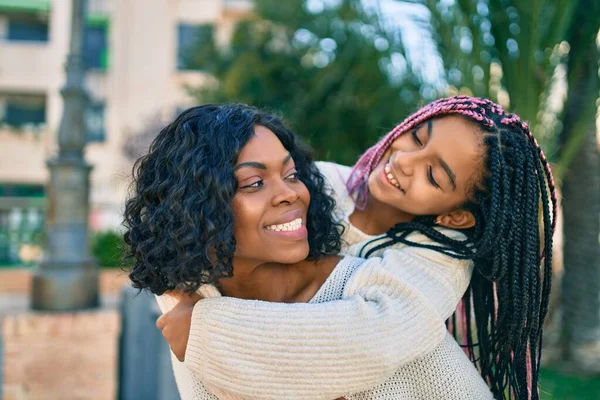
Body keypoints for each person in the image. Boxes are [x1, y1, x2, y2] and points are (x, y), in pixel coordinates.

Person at [131, 97, 556, 399]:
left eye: (434, 175)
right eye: (417, 138)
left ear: (455, 216)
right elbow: (181, 218)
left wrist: (206, 333)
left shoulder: (434, 260)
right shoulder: (320, 186)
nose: (406, 161)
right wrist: (177, 291)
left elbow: (374, 335)